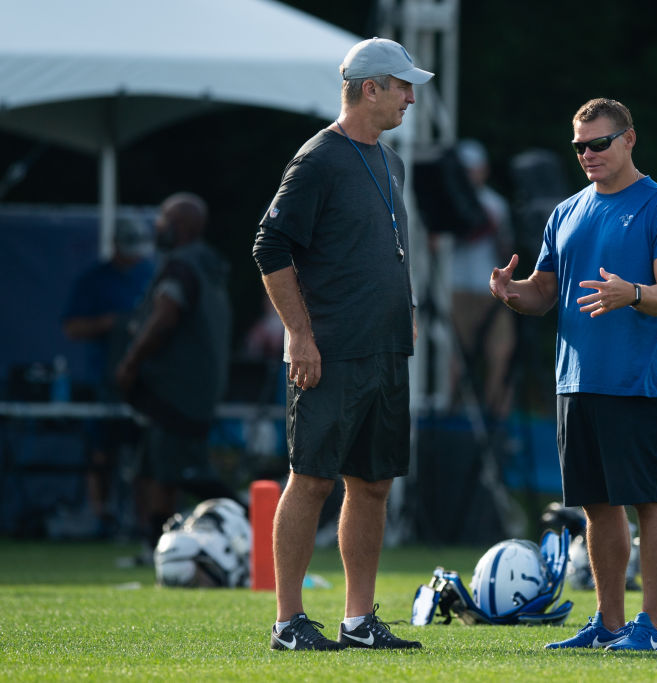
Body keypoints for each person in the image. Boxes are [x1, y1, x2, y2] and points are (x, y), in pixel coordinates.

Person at [490, 98, 657, 651]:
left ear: (629, 139)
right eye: (579, 146)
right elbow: (543, 293)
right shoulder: (567, 210)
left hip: (634, 383)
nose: (587, 155)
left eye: (598, 143)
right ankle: (608, 623)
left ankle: (650, 628)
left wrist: (632, 294)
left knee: (649, 502)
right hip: (574, 381)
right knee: (597, 508)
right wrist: (512, 294)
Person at [251, 37, 431, 652]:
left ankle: (358, 620)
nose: (412, 95)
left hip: (384, 350)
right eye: (402, 85)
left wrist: (404, 311)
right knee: (312, 478)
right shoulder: (318, 159)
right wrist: (299, 335)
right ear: (370, 88)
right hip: (330, 351)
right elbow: (269, 247)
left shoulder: (390, 160)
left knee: (374, 483)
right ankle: (288, 622)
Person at [115, 192, 234, 559]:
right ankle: (156, 547)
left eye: (163, 219)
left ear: (180, 226)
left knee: (179, 472)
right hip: (195, 387)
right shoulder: (209, 265)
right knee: (155, 469)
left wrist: (131, 362)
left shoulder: (181, 266)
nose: (157, 226)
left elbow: (165, 315)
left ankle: (254, 516)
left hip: (174, 388)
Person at [62, 215, 155, 537]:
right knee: (102, 450)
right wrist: (110, 323)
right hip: (104, 380)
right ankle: (101, 516)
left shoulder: (151, 274)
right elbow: (72, 327)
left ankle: (145, 521)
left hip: (145, 382)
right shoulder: (95, 280)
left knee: (145, 452)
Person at [450, 139, 516, 419]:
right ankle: (448, 421)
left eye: (473, 169)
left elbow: (506, 247)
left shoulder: (496, 205)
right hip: (457, 290)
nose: (469, 175)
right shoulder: (447, 203)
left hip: (492, 292)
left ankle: (496, 423)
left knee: (502, 353)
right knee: (454, 360)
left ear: (483, 170)